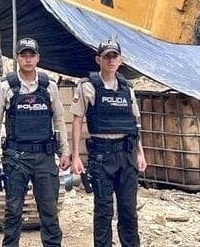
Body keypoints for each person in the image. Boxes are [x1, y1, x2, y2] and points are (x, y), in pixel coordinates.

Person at [0, 37, 70, 247]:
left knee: (49, 210)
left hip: (44, 157)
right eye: (24, 55)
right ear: (17, 57)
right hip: (16, 158)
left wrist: (65, 152)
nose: (28, 59)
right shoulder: (7, 86)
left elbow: (59, 119)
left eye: (32, 55)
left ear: (38, 58)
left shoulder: (49, 86)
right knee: (13, 210)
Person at [70, 38, 147, 247]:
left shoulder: (127, 88)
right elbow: (77, 121)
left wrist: (140, 153)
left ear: (120, 60)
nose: (111, 61)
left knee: (128, 211)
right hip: (101, 156)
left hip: (126, 154)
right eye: (107, 57)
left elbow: (135, 123)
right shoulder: (87, 87)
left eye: (115, 56)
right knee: (103, 211)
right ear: (99, 60)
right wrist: (75, 155)